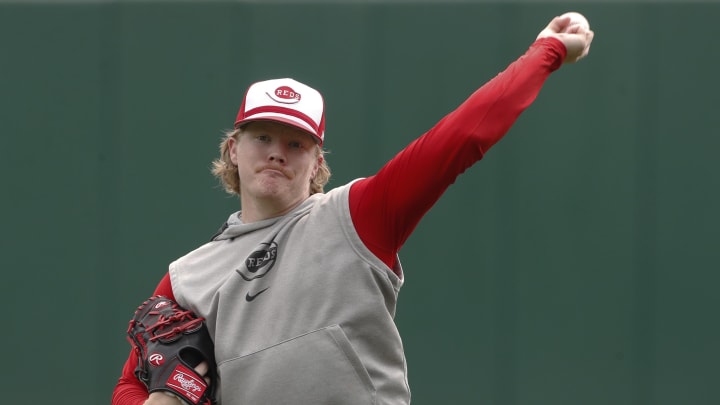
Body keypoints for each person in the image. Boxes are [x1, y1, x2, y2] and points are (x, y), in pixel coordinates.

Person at [112, 13, 594, 405]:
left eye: (296, 143)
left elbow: (462, 137)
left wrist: (545, 52)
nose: (277, 152)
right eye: (262, 137)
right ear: (233, 149)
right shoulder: (187, 277)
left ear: (317, 161)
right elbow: (129, 385)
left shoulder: (355, 218)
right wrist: (165, 397)